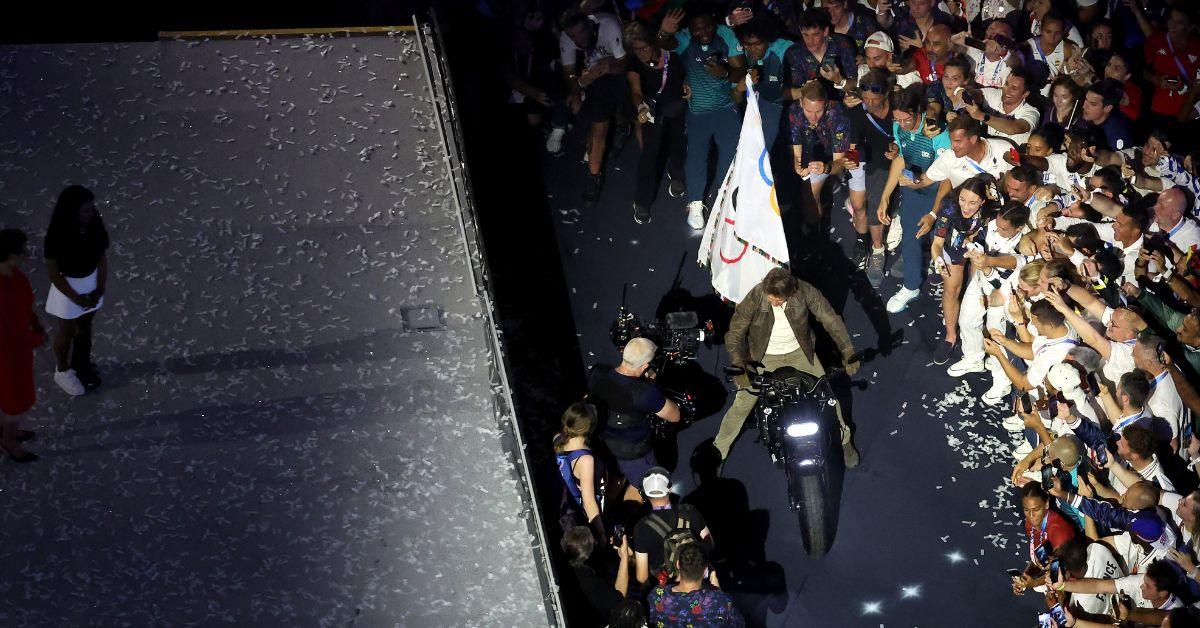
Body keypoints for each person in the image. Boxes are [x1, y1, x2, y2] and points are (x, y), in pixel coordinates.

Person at [715, 267, 861, 464]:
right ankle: (718, 454)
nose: (773, 302)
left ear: (791, 292)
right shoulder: (756, 296)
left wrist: (847, 350)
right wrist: (739, 363)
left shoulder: (805, 291)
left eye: (778, 300)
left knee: (829, 399)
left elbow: (830, 319)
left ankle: (845, 442)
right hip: (762, 357)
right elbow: (735, 333)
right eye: (770, 297)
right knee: (741, 405)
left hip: (800, 353)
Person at [658, 8, 747, 229]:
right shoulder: (685, 39)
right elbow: (664, 45)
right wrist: (663, 31)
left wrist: (725, 73)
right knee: (696, 159)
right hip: (698, 112)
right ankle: (695, 203)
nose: (703, 32)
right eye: (697, 29)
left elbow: (742, 71)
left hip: (727, 108)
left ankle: (724, 200)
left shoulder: (726, 35)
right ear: (690, 30)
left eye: (707, 26)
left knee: (730, 157)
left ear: (714, 23)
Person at [879, 84, 952, 313]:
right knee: (911, 239)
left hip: (941, 192)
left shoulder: (939, 134)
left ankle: (948, 286)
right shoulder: (898, 126)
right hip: (913, 189)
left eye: (907, 119)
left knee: (943, 241)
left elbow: (949, 176)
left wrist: (933, 213)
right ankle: (911, 286)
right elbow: (901, 158)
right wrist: (885, 196)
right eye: (897, 119)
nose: (902, 124)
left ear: (919, 111)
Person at [588, 338, 681, 496]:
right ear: (645, 366)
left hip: (602, 440)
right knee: (648, 488)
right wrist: (651, 387)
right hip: (632, 453)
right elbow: (675, 416)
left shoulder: (598, 372)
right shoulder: (644, 394)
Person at [928, 174, 1004, 364]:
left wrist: (976, 243)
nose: (966, 206)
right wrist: (938, 261)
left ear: (983, 201)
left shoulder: (993, 206)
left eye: (972, 202)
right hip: (953, 244)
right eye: (963, 199)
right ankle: (951, 335)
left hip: (980, 246)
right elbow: (937, 244)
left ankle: (974, 321)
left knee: (975, 285)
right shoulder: (949, 207)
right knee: (951, 289)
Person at [559, 8, 629, 209]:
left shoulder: (608, 26)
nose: (577, 39)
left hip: (619, 66)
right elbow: (569, 73)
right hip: (595, 76)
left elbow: (625, 63)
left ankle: (623, 125)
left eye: (581, 33)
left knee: (625, 99)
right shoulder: (566, 38)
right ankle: (593, 176)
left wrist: (607, 67)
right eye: (572, 36)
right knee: (598, 125)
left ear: (589, 25)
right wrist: (576, 88)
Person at [44, 185, 108, 396]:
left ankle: (81, 363)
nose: (92, 213)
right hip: (68, 287)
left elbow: (101, 257)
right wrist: (76, 298)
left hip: (90, 282)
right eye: (86, 210)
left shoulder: (94, 224)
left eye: (92, 208)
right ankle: (62, 370)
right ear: (72, 211)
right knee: (67, 329)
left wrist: (99, 289)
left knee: (86, 324)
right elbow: (54, 273)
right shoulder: (56, 235)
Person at [624, 21, 687, 225]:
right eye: (636, 50)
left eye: (643, 48)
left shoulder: (673, 53)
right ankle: (642, 201)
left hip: (676, 105)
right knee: (649, 154)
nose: (641, 53)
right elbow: (635, 91)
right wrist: (640, 106)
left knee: (678, 144)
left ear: (653, 42)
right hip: (651, 110)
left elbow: (690, 71)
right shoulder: (634, 62)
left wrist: (689, 85)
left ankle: (676, 175)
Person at [846, 68, 897, 286]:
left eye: (873, 99)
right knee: (859, 205)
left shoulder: (898, 106)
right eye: (865, 97)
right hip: (866, 159)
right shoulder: (859, 111)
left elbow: (906, 134)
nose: (868, 102)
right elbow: (852, 144)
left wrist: (897, 149)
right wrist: (849, 159)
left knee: (876, 203)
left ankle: (877, 251)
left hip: (891, 161)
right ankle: (861, 240)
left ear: (885, 94)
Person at [0, 229, 45, 463]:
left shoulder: (15, 276)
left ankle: (6, 431)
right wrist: (36, 338)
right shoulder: (3, 292)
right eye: (22, 251)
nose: (27, 255)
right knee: (16, 401)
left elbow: (23, 307)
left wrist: (33, 320)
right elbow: (11, 334)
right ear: (10, 256)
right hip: (9, 356)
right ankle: (8, 440)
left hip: (16, 350)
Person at [787, 81, 852, 230]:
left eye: (818, 111)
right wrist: (798, 164)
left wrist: (827, 169)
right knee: (807, 195)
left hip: (834, 153)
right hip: (812, 148)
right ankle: (813, 229)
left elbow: (840, 160)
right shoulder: (794, 110)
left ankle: (818, 231)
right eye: (809, 111)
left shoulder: (837, 115)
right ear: (801, 103)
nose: (814, 116)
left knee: (810, 194)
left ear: (826, 104)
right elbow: (796, 141)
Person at [631, 467, 712, 586]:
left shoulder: (641, 528)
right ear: (669, 489)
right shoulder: (690, 511)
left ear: (644, 493)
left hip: (668, 590)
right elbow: (709, 544)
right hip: (697, 581)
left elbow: (642, 577)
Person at [646, 543, 744, 627]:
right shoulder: (720, 600)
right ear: (706, 570)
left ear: (677, 564)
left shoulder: (657, 596)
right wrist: (717, 588)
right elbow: (739, 624)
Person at [736, 19, 795, 150]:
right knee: (757, 147)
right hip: (764, 101)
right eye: (748, 44)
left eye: (757, 44)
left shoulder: (786, 49)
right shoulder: (743, 51)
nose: (752, 49)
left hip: (788, 102)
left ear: (768, 40)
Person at [555, 402, 609, 541]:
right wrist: (601, 532)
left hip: (566, 500)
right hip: (581, 508)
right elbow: (589, 501)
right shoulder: (585, 460)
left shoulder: (557, 439)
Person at [1143, 7, 1200, 133]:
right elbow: (1141, 71)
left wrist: (1188, 88)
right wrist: (1155, 79)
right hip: (1157, 110)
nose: (1172, 25)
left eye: (1178, 23)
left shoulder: (1197, 47)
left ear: (1190, 27)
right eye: (1171, 19)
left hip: (1186, 114)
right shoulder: (1156, 40)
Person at [562, 525, 631, 620]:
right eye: (594, 543)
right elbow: (619, 595)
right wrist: (624, 557)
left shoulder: (568, 560)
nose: (596, 541)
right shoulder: (589, 582)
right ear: (587, 557)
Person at [964, 67, 1041, 145]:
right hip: (986, 151)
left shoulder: (1031, 112)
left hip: (1011, 155)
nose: (1007, 90)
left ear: (1025, 94)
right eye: (1006, 84)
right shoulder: (994, 94)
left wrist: (981, 115)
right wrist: (967, 92)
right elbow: (973, 94)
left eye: (1014, 88)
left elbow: (1013, 129)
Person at [1079, 79, 1134, 152]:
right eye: (1086, 100)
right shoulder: (1084, 119)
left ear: (1108, 108)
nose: (1084, 106)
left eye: (1093, 104)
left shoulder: (1117, 134)